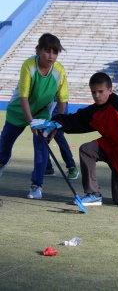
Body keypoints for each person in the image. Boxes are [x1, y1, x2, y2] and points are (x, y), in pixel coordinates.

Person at [31, 72, 118, 206]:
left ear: (110, 90)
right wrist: (55, 122)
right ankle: (93, 194)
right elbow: (75, 120)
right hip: (109, 147)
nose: (97, 96)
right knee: (86, 149)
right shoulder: (94, 111)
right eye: (93, 92)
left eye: (100, 92)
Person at [0, 33, 69, 200]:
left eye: (55, 52)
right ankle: (2, 162)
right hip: (18, 110)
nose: (51, 56)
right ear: (38, 50)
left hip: (41, 112)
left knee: (41, 146)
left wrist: (56, 125)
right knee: (4, 146)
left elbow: (62, 102)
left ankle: (36, 186)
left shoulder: (59, 71)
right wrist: (31, 123)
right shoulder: (29, 65)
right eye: (47, 51)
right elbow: (23, 97)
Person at [44, 100, 79, 180]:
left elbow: (62, 103)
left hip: (58, 116)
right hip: (48, 116)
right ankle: (48, 167)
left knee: (59, 137)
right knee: (43, 140)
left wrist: (58, 121)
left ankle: (72, 167)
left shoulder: (59, 88)